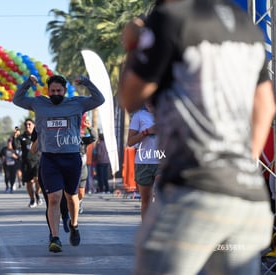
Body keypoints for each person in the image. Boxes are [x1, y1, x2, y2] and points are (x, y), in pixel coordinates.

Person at [118, 1, 276, 274]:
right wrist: (241, 163)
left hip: (192, 191)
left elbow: (130, 96)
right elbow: (265, 106)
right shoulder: (245, 26)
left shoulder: (168, 20)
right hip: (247, 198)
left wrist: (133, 45)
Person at [13, 74, 105, 253]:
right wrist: (27, 83)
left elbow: (99, 99)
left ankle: (75, 225)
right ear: (48, 91)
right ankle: (54, 238)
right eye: (52, 90)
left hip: (71, 158)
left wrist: (86, 82)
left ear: (64, 91)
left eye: (59, 91)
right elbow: (17, 99)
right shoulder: (39, 103)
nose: (55, 93)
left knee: (72, 196)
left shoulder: (76, 103)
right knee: (54, 198)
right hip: (50, 158)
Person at [127, 102, 162, 221]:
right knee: (146, 200)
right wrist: (146, 132)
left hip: (162, 161)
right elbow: (130, 142)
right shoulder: (139, 116)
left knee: (160, 196)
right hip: (143, 162)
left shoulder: (166, 113)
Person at [14, 118, 42, 207]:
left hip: (37, 161)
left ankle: (37, 194)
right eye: (26, 125)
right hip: (26, 163)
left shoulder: (39, 135)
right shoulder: (22, 137)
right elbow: (15, 146)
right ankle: (32, 199)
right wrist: (15, 137)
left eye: (30, 124)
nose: (28, 126)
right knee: (29, 183)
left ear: (34, 125)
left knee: (38, 180)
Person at [78, 116, 97, 214]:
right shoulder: (66, 138)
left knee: (80, 192)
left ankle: (79, 202)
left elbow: (94, 137)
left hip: (82, 169)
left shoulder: (83, 140)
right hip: (69, 169)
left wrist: (89, 127)